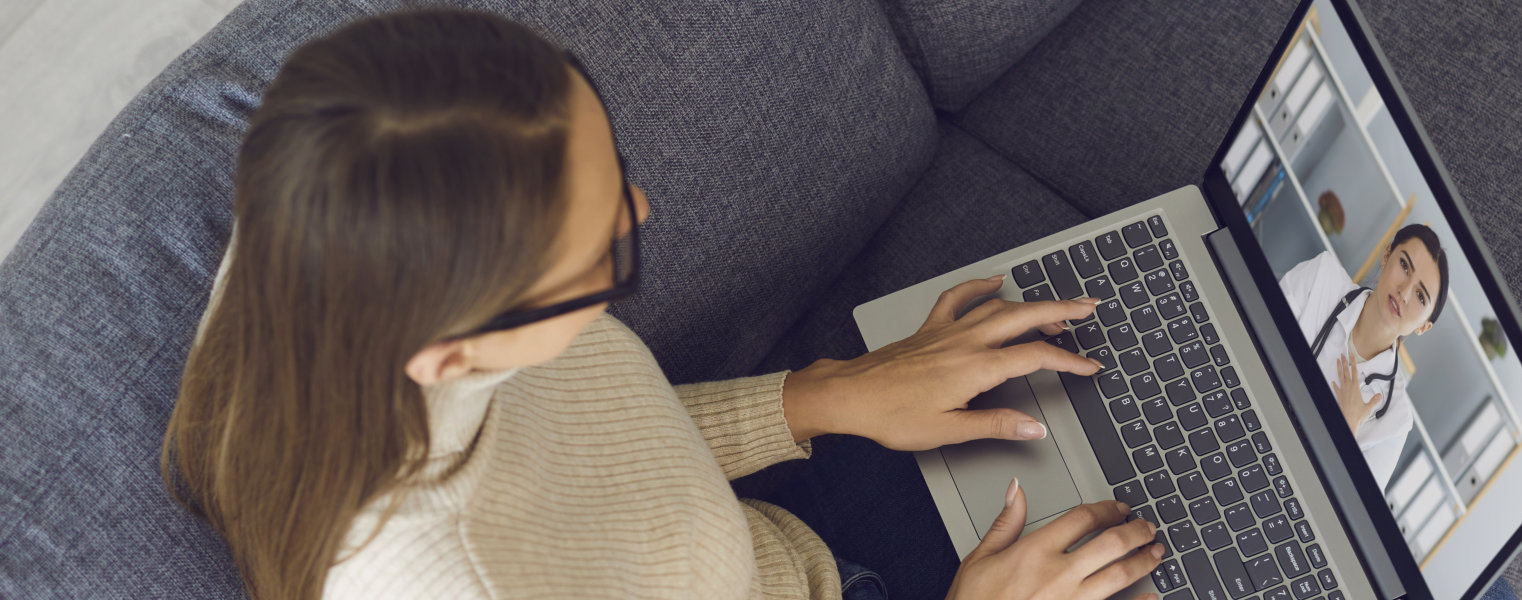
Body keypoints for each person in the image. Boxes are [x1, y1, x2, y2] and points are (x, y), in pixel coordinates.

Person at [160, 10, 1163, 600]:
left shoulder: (308, 245)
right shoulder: (454, 579)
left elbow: (588, 463)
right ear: (452, 353)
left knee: (1137, 381)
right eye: (606, 251)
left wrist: (827, 396)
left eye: (617, 174)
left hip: (778, 534)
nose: (640, 211)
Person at [1277, 224, 1449, 489]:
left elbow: (1341, 511)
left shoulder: (1394, 420)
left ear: (1424, 326)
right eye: (1404, 265)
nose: (1404, 293)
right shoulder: (1321, 277)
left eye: (1420, 296)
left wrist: (1346, 430)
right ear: (1386, 255)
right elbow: (1251, 335)